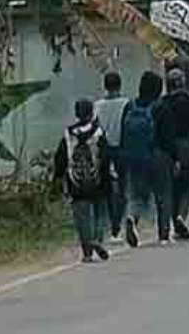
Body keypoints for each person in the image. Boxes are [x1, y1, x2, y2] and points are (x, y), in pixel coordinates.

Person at [54, 99, 111, 263]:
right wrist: (106, 179)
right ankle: (97, 240)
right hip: (96, 181)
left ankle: (87, 251)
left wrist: (58, 178)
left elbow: (60, 159)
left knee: (81, 217)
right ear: (91, 112)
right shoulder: (98, 132)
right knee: (100, 213)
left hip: (76, 182)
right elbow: (105, 158)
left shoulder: (68, 134)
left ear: (77, 113)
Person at [154, 68, 189, 242]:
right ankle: (181, 217)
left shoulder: (161, 104)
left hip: (165, 150)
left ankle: (167, 228)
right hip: (187, 148)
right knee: (186, 187)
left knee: (170, 190)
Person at [121, 71, 168, 247]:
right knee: (162, 195)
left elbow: (122, 132)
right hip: (155, 155)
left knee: (138, 195)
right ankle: (163, 235)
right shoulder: (159, 107)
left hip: (133, 157)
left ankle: (132, 217)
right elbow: (165, 135)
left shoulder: (130, 106)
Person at [94, 71, 130, 240]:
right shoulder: (126, 103)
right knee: (123, 188)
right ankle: (117, 225)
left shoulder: (97, 105)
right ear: (119, 85)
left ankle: (108, 224)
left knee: (107, 189)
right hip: (122, 149)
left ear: (105, 86)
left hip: (104, 151)